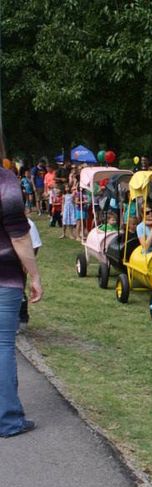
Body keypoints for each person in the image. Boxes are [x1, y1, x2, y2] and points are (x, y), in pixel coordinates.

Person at [1, 166, 43, 438]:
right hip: (3, 276)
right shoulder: (5, 180)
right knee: (2, 345)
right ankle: (8, 420)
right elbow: (19, 234)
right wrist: (35, 275)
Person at [18, 218, 42, 330]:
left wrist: (26, 264)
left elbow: (35, 245)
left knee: (18, 290)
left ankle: (21, 318)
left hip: (17, 265)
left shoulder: (27, 223)